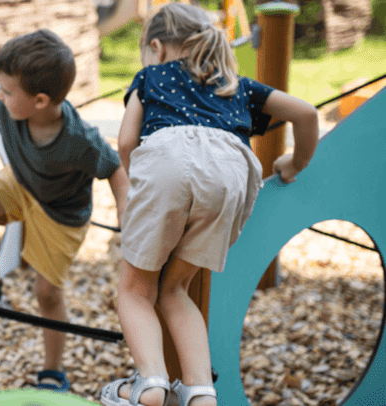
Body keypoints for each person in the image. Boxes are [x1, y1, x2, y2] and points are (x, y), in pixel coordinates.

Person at [99, 3, 320, 406]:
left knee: (135, 289)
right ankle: (200, 391)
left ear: (156, 47)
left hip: (168, 159)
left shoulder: (151, 76)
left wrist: (142, 192)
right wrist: (294, 162)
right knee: (176, 288)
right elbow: (305, 113)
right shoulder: (237, 84)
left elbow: (127, 142)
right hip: (232, 171)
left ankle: (150, 383)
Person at [0, 29, 129, 392]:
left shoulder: (80, 140)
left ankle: (53, 369)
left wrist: (125, 215)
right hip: (22, 182)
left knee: (46, 294)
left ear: (40, 101)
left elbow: (115, 169)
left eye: (7, 91)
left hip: (61, 214)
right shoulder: (6, 104)